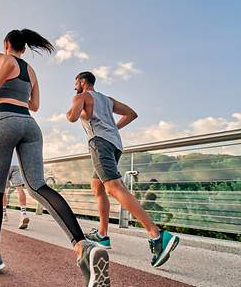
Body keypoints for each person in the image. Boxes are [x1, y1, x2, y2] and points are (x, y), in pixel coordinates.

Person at [0, 29, 110, 287]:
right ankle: (83, 246)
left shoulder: (2, 57)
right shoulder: (32, 72)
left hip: (4, 119)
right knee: (38, 186)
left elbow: (4, 65)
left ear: (7, 44)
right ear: (25, 48)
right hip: (30, 125)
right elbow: (35, 105)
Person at [66, 71, 179, 267]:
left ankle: (157, 235)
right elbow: (131, 114)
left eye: (76, 82)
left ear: (83, 82)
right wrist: (114, 128)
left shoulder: (82, 96)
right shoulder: (107, 100)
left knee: (113, 187)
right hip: (114, 144)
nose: (74, 85)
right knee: (98, 187)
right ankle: (102, 235)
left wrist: (75, 107)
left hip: (99, 143)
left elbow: (71, 118)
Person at [2, 150, 30, 230]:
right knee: (19, 189)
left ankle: (4, 214)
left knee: (3, 190)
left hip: (5, 164)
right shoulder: (17, 137)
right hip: (17, 165)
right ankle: (23, 214)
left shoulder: (2, 137)